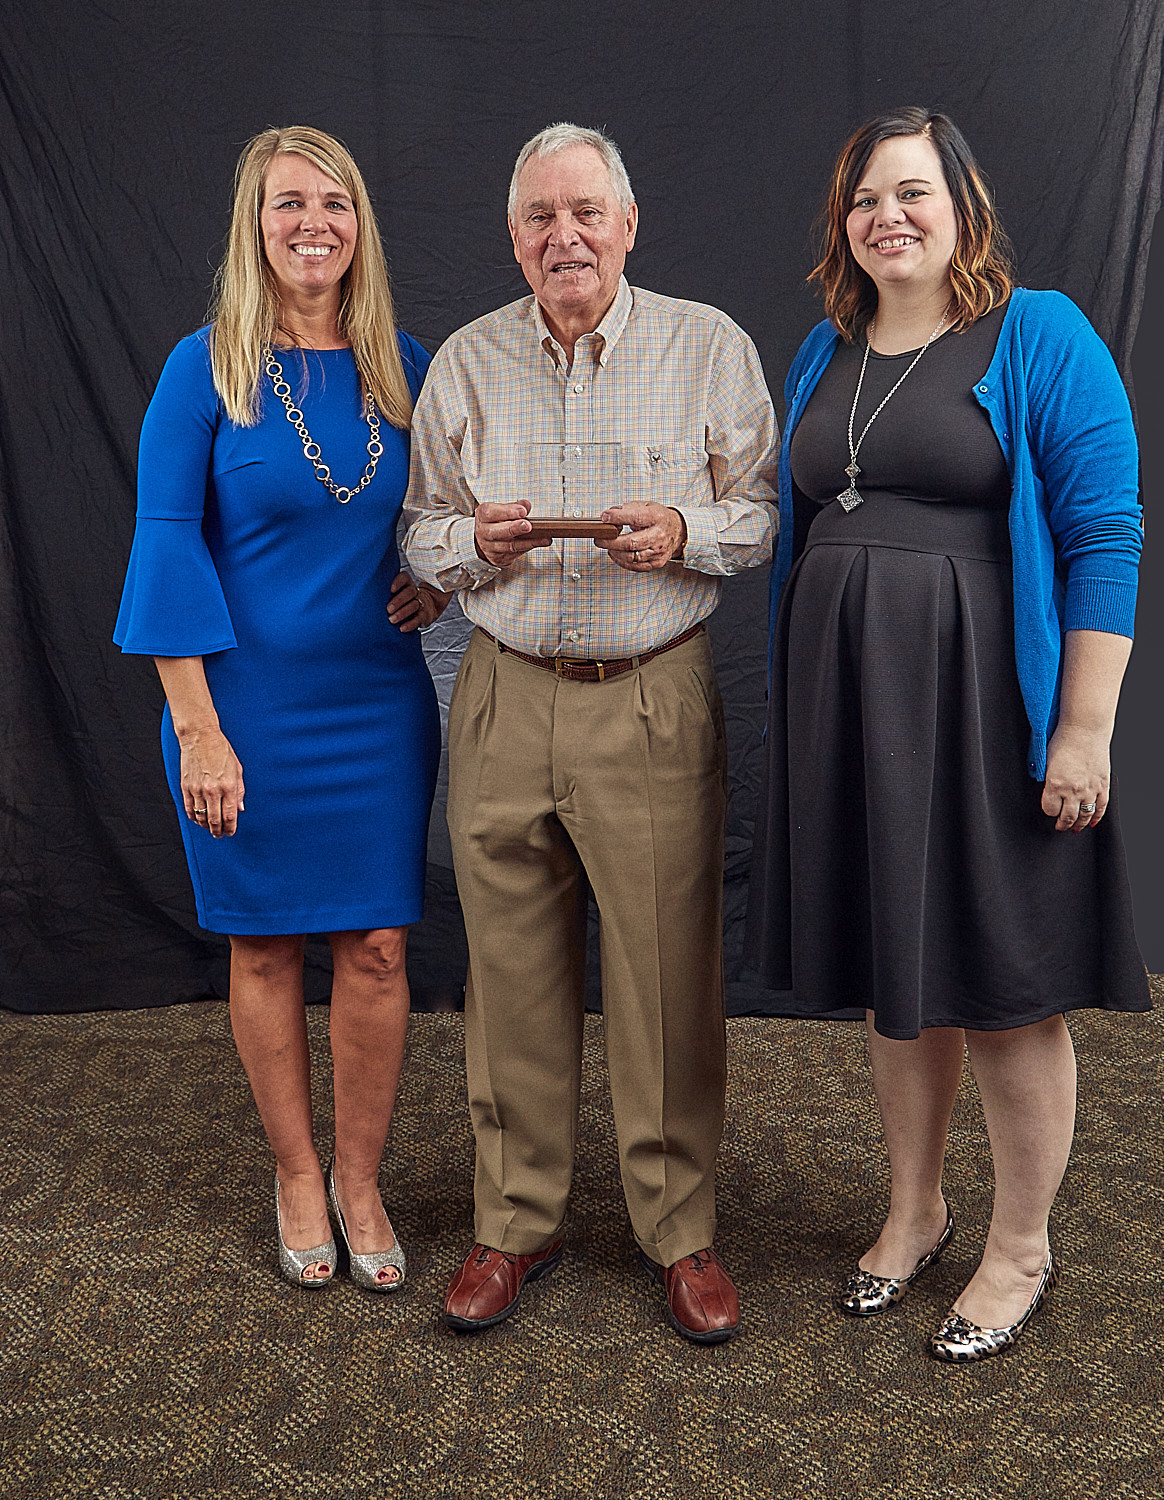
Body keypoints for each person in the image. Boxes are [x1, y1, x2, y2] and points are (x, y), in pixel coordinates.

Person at [744, 107, 1149, 1362]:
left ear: (963, 206)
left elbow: (1107, 535)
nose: (890, 217)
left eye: (914, 192)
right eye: (867, 199)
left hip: (988, 710)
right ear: (843, 225)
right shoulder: (827, 349)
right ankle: (912, 1212)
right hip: (856, 715)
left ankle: (1021, 1246)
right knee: (898, 982)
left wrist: (1082, 731)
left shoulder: (1039, 334)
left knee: (1007, 990)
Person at [403, 122, 778, 1342]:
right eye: (538, 219)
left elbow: (762, 514)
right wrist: (473, 546)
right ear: (514, 240)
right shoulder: (463, 363)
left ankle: (681, 1230)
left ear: (628, 223)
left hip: (651, 689)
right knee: (508, 970)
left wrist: (681, 530)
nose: (563, 236)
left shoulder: (707, 345)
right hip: (505, 689)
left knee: (666, 970)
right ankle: (516, 1221)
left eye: (585, 213)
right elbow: (422, 534)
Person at [115, 126, 447, 1291]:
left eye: (335, 203)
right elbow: (164, 546)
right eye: (287, 204)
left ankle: (361, 1178)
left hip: (377, 704)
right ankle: (297, 1173)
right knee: (263, 944)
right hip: (240, 706)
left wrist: (437, 577)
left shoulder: (401, 362)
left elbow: (439, 509)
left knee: (375, 944)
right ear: (252, 229)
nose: (314, 223)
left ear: (360, 226)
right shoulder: (202, 368)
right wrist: (199, 730)